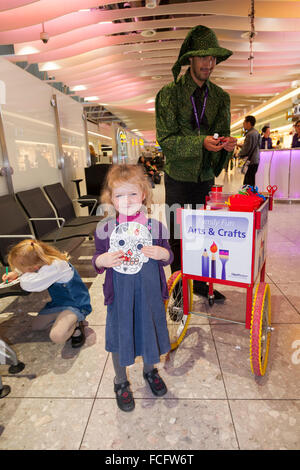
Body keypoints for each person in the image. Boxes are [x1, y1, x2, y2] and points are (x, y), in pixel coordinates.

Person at [155, 25, 237, 302]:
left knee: (204, 234)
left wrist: (224, 145)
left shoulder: (220, 97)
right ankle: (178, 289)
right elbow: (166, 139)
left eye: (213, 58)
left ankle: (202, 283)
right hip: (178, 178)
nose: (209, 63)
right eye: (203, 57)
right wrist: (199, 143)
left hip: (204, 177)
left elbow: (220, 135)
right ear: (190, 58)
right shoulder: (169, 95)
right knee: (179, 236)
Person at [92, 164, 173, 412]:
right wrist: (101, 260)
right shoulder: (104, 229)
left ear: (144, 194)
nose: (126, 200)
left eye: (132, 194)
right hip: (121, 297)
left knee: (149, 332)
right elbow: (96, 258)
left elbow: (168, 256)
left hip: (148, 295)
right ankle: (120, 380)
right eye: (119, 195)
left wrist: (162, 253)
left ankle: (150, 370)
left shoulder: (155, 226)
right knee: (120, 337)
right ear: (111, 198)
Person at [2, 239, 91, 348]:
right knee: (36, 326)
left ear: (33, 265)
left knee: (57, 336)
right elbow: (32, 268)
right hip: (59, 303)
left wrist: (21, 275)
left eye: (22, 268)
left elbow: (28, 284)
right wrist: (16, 273)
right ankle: (64, 318)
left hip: (76, 304)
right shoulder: (43, 261)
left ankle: (77, 323)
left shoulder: (56, 266)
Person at [239, 115, 261, 187]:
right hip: (255, 159)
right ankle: (252, 195)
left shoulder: (250, 134)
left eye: (244, 122)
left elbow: (246, 149)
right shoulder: (257, 132)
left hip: (250, 161)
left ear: (248, 123)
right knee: (252, 180)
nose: (243, 124)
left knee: (247, 182)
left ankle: (248, 196)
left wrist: (239, 154)